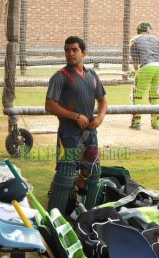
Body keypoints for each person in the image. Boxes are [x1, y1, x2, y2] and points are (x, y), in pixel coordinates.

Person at [45, 36, 107, 215]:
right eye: (67, 50)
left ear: (84, 53)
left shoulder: (92, 75)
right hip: (69, 134)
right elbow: (49, 106)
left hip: (90, 133)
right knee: (65, 174)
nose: (70, 53)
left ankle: (81, 207)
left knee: (92, 170)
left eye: (74, 50)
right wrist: (75, 116)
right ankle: (55, 214)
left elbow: (103, 99)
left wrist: (100, 117)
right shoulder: (60, 77)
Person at [129, 22, 159, 130]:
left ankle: (136, 123)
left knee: (137, 95)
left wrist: (135, 70)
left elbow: (135, 61)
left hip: (146, 68)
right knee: (155, 96)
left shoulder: (134, 40)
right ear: (148, 30)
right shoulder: (156, 39)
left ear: (138, 30)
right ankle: (156, 124)